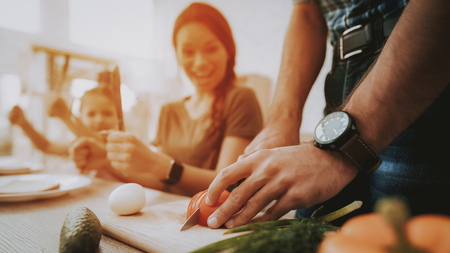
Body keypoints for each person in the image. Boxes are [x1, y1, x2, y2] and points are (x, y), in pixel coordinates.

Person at [205, 0, 450, 229]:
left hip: (419, 63)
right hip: (343, 73)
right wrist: (281, 121)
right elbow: (306, 10)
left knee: (402, 237)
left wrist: (340, 150)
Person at [69, 3, 264, 196]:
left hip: (213, 222)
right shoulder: (169, 111)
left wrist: (158, 164)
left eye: (211, 49)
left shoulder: (241, 98)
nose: (200, 62)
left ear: (228, 50)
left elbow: (228, 184)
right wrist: (107, 162)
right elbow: (160, 183)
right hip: (169, 216)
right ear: (177, 55)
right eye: (188, 52)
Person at [9, 85, 119, 157]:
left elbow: (101, 147)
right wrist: (24, 125)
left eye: (107, 113)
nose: (99, 120)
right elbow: (47, 147)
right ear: (80, 117)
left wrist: (66, 116)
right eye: (91, 114)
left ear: (118, 117)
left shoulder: (121, 143)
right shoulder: (80, 144)